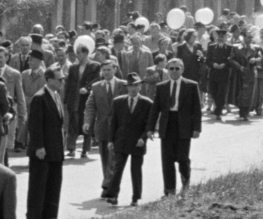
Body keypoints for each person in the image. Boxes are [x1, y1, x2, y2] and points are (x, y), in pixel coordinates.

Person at [102, 72, 155, 207]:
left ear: (140, 87)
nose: (133, 88)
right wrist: (110, 140)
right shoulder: (118, 102)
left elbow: (150, 125)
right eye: (130, 85)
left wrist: (143, 138)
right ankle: (113, 195)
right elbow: (113, 123)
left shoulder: (147, 103)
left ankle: (135, 197)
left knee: (136, 170)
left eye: (136, 85)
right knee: (118, 168)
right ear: (127, 87)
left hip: (138, 142)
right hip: (121, 140)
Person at [153, 57, 203, 198]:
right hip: (167, 124)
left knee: (182, 157)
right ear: (167, 70)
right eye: (171, 68)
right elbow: (155, 109)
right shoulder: (161, 86)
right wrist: (150, 128)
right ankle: (169, 191)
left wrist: (197, 128)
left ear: (182, 69)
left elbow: (197, 109)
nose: (174, 71)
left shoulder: (191, 85)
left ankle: (185, 185)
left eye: (177, 68)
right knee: (167, 159)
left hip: (184, 125)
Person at [25, 64, 66, 219]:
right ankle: (33, 217)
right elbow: (34, 125)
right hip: (43, 148)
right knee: (38, 183)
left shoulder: (56, 95)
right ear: (49, 80)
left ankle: (47, 216)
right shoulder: (39, 97)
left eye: (62, 79)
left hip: (55, 148)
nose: (62, 82)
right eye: (59, 79)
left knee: (53, 183)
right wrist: (39, 146)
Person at [81, 59, 125, 166]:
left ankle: (114, 176)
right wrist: (87, 122)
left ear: (115, 70)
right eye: (104, 70)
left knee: (117, 159)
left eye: (108, 70)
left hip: (119, 128)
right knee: (105, 160)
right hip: (103, 128)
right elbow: (90, 106)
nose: (106, 72)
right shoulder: (96, 87)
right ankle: (107, 177)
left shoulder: (123, 85)